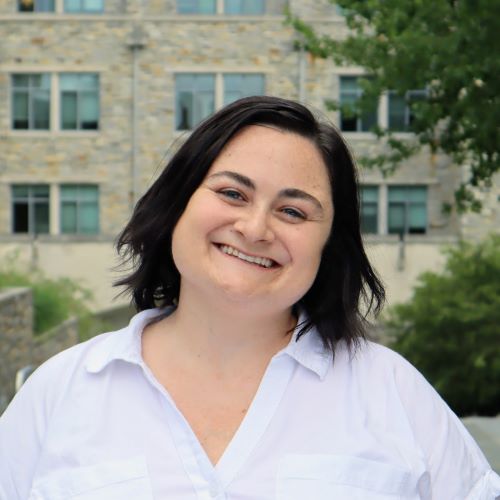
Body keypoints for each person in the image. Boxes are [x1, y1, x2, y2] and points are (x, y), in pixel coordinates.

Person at [0, 96, 499, 500]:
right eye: (233, 194)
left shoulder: (391, 393)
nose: (255, 229)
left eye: (294, 212)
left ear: (329, 247)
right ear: (178, 203)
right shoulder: (58, 394)